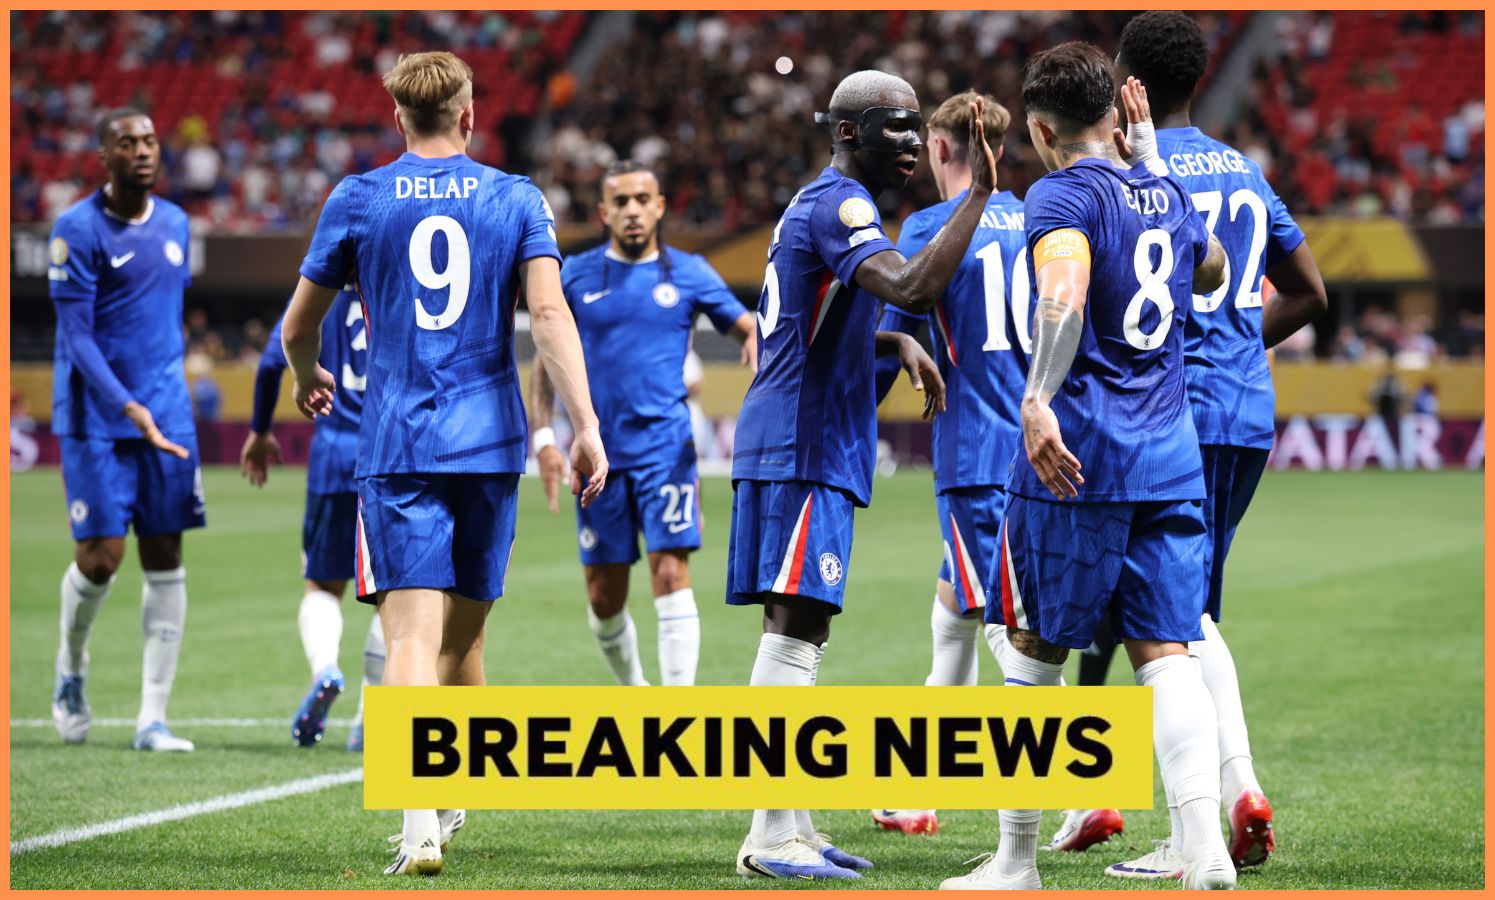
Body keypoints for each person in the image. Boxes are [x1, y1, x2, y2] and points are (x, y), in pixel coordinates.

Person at [280, 51, 607, 877]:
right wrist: (584, 424)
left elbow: (295, 327)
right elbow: (545, 310)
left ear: (400, 118)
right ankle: (449, 791)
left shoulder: (357, 197)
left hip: (396, 445)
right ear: (467, 116)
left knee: (410, 644)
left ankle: (420, 818)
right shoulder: (515, 197)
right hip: (488, 443)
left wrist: (304, 375)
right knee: (464, 642)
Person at [940, 45, 1235, 890]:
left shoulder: (1058, 193)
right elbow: (1208, 268)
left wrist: (1036, 398)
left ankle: (1014, 861)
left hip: (1079, 459)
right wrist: (1152, 171)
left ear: (1037, 129)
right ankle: (1201, 849)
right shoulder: (1161, 188)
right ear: (1116, 114)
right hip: (1169, 455)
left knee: (1032, 652)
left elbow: (1061, 293)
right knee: (1166, 651)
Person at [1062, 12, 1329, 879]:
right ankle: (1218, 804)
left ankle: (1216, 809)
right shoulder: (1245, 171)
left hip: (1167, 412)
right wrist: (1243, 340)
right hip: (1247, 409)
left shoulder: (1129, 169)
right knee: (1186, 611)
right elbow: (1311, 290)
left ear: (1124, 78)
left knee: (1176, 620)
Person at [729, 69, 993, 881]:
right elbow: (912, 283)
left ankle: (789, 825)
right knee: (795, 627)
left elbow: (824, 315)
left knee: (802, 625)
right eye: (894, 128)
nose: (912, 144)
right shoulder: (841, 206)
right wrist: (978, 194)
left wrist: (895, 342)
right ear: (847, 134)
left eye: (918, 129)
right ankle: (769, 835)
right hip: (803, 445)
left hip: (804, 440)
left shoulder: (822, 206)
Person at [868, 91, 1126, 847]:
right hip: (1050, 446)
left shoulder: (928, 228)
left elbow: (895, 335)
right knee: (952, 610)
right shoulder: (1048, 214)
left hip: (979, 455)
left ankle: (1082, 792)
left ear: (941, 149)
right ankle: (913, 790)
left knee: (1006, 629)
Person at [530, 160, 757, 687]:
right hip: (598, 457)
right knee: (603, 598)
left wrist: (753, 337)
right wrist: (544, 436)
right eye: (621, 201)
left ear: (659, 207)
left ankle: (672, 710)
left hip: (666, 450)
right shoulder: (576, 275)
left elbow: (745, 323)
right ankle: (635, 690)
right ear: (603, 211)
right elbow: (546, 361)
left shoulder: (689, 271)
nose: (632, 210)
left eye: (642, 199)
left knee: (671, 573)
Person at [48, 107, 203, 753]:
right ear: (103, 156)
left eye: (149, 140)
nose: (142, 150)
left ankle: (152, 718)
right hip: (96, 418)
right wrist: (126, 405)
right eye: (127, 143)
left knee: (165, 556)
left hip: (167, 416)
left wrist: (157, 403)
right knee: (101, 558)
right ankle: (71, 668)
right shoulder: (76, 230)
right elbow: (77, 336)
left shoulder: (175, 223)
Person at [241, 285, 387, 751]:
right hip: (390, 454)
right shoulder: (399, 282)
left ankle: (326, 668)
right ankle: (372, 715)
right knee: (398, 593)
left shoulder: (316, 293)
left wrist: (261, 430)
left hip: (332, 457)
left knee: (322, 585)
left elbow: (270, 363)